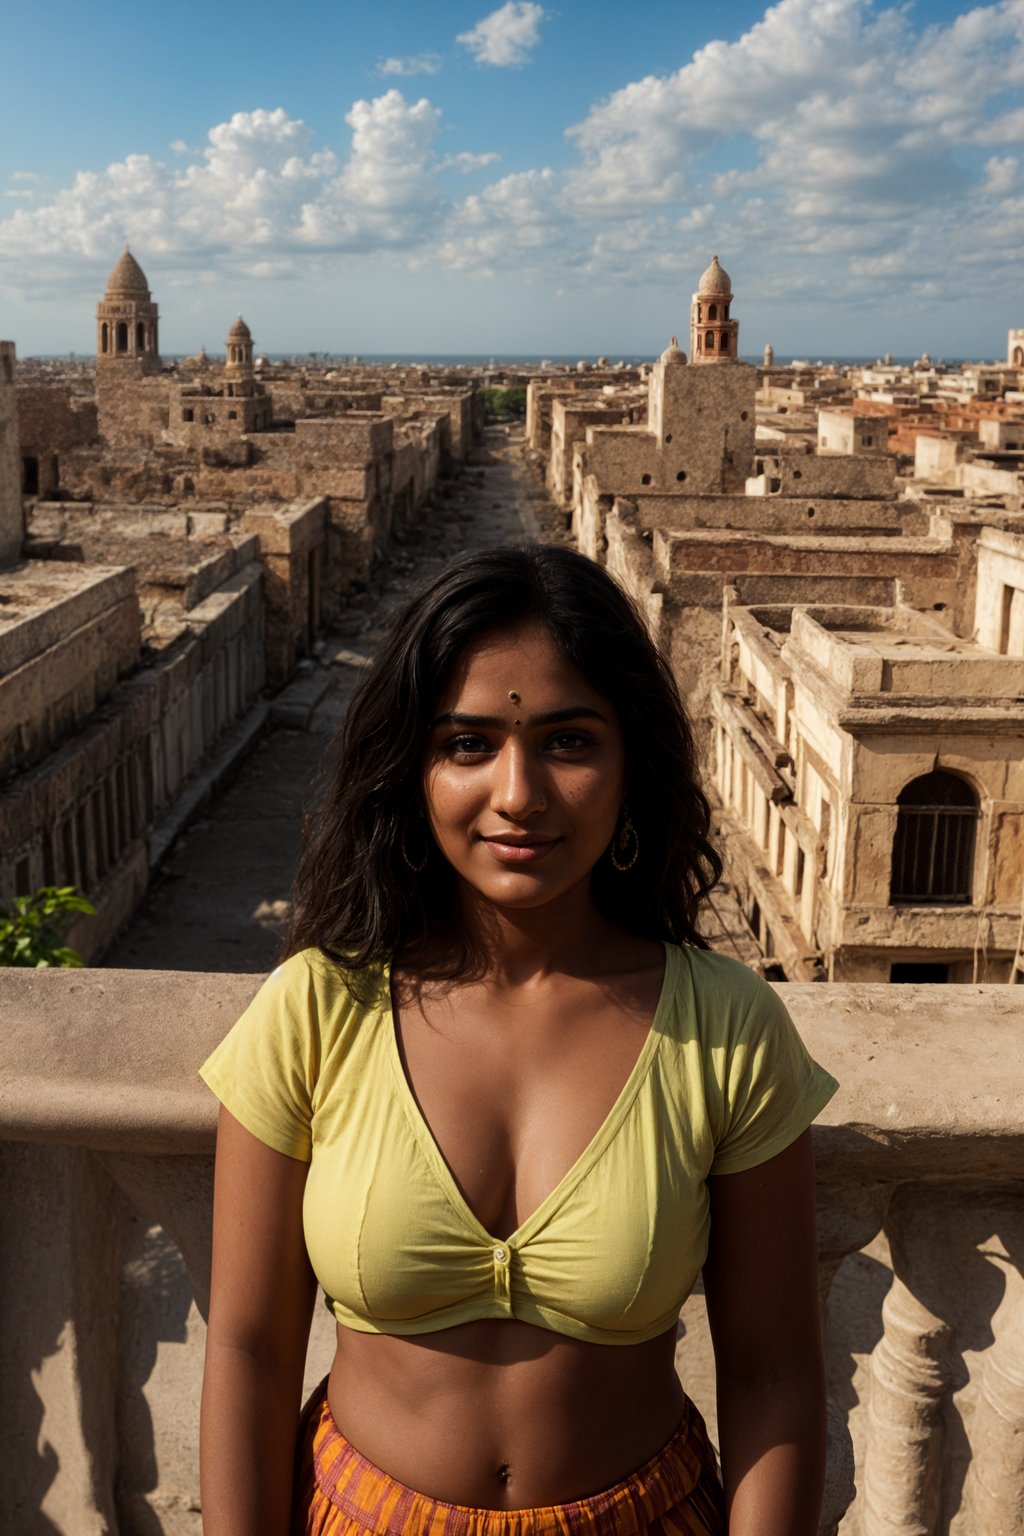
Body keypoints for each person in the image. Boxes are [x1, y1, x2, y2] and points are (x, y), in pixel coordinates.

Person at [198, 543, 838, 1536]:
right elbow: (247, 1348)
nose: (518, 793)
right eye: (467, 744)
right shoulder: (315, 1013)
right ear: (412, 771)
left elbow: (774, 1377)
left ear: (631, 767)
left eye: (568, 743)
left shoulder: (724, 1029)